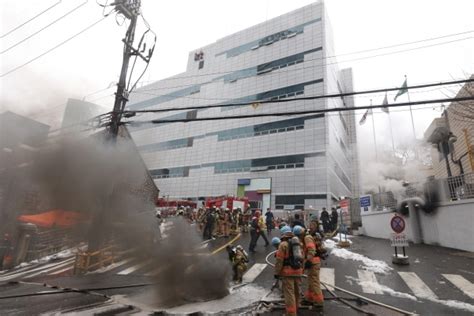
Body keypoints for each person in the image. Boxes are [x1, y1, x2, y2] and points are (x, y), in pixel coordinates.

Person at [293, 224, 325, 307]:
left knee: (314, 282)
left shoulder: (307, 238)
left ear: (300, 234)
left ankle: (318, 301)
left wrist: (309, 261)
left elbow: (311, 250)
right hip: (312, 262)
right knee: (311, 281)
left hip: (314, 262)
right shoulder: (305, 237)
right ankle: (310, 299)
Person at [274, 226, 303, 316]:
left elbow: (279, 260)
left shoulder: (283, 244)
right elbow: (302, 258)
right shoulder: (298, 243)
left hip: (287, 272)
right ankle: (296, 308)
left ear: (283, 234)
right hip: (298, 271)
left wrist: (277, 273)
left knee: (289, 293)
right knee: (297, 291)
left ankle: (291, 313)